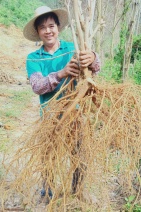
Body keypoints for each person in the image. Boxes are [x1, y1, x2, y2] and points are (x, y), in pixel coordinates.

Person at [23, 5, 101, 203]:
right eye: (43, 27)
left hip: (75, 113)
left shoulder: (72, 48)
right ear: (38, 32)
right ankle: (47, 191)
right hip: (49, 115)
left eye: (51, 26)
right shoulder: (33, 58)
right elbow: (37, 86)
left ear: (58, 28)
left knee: (79, 153)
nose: (48, 31)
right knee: (48, 155)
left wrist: (92, 58)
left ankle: (78, 190)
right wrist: (60, 74)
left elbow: (94, 70)